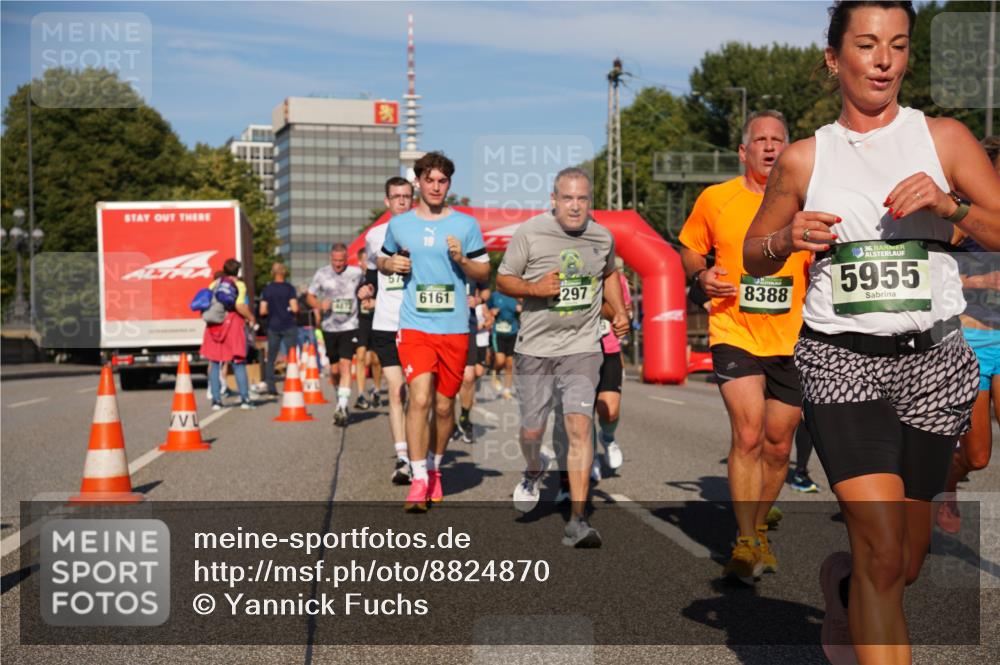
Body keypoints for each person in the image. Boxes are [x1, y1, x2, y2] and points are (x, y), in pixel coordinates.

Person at [742, 3, 1000, 662]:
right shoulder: (804, 159)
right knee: (885, 545)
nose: (883, 59)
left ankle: (846, 587)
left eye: (898, 44)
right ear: (835, 58)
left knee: (903, 561)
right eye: (866, 44)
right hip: (840, 363)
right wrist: (783, 235)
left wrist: (952, 206)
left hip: (933, 365)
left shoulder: (944, 141)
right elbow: (754, 253)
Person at [679, 108, 804, 585]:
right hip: (734, 330)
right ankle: (748, 538)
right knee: (749, 434)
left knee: (778, 444)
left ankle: (758, 527)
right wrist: (700, 274)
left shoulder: (805, 199)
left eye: (778, 139)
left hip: (793, 337)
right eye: (761, 140)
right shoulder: (717, 199)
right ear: (744, 151)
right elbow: (691, 244)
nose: (770, 147)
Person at [497, 167, 629, 547]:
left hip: (581, 347)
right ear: (553, 200)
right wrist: (535, 287)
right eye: (567, 198)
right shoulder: (530, 233)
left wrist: (618, 311)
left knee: (578, 426)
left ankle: (577, 520)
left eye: (582, 198)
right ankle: (534, 469)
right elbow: (503, 279)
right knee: (532, 430)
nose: (575, 206)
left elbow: (608, 274)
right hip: (534, 348)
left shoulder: (602, 237)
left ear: (591, 201)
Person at [378, 152, 490, 512]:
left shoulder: (466, 225)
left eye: (442, 181)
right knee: (419, 398)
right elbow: (381, 260)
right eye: (430, 180)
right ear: (418, 183)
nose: (436, 187)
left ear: (449, 185)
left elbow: (484, 273)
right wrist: (389, 263)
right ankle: (418, 478)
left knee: (444, 408)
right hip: (415, 326)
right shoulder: (400, 225)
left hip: (454, 328)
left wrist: (462, 261)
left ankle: (435, 466)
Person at [937, 135, 1000, 533]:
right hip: (973, 341)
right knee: (977, 456)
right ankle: (944, 485)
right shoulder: (963, 213)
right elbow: (929, 274)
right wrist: (981, 280)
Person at [363, 176, 415, 484]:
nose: (401, 201)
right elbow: (372, 267)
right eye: (396, 196)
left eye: (406, 196)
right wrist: (367, 287)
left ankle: (421, 452)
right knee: (396, 390)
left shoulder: (425, 231)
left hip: (419, 324)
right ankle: (402, 458)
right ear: (387, 201)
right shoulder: (375, 235)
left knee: (420, 396)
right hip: (385, 323)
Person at [308, 243, 364, 426]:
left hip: (350, 325)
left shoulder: (356, 273)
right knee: (334, 370)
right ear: (330, 258)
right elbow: (310, 295)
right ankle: (340, 397)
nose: (338, 264)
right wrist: (318, 305)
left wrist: (368, 296)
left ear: (347, 259)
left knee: (345, 364)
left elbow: (368, 288)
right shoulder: (322, 273)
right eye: (335, 260)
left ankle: (342, 405)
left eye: (341, 261)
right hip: (329, 327)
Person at [200, 258, 257, 410]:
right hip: (233, 324)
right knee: (238, 362)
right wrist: (251, 317)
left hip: (214, 325)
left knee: (214, 362)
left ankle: (216, 401)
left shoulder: (214, 284)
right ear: (237, 271)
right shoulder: (239, 285)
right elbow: (239, 305)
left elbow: (207, 302)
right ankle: (245, 399)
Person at [594, 259, 633, 476]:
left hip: (608, 349)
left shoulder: (618, 279)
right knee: (581, 411)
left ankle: (607, 438)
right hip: (578, 350)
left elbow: (621, 313)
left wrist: (621, 314)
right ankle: (587, 456)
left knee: (609, 410)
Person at [454, 283, 492, 444]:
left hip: (469, 329)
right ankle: (447, 421)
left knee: (469, 377)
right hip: (443, 326)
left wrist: (479, 299)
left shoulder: (471, 263)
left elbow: (486, 287)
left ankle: (464, 417)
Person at [259, 262, 299, 396]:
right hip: (289, 325)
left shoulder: (268, 289)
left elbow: (262, 310)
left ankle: (271, 387)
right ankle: (291, 384)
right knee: (291, 356)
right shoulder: (289, 288)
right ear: (284, 273)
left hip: (273, 326)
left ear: (272, 273)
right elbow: (295, 308)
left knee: (271, 358)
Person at [353, 247, 380, 410]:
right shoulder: (355, 280)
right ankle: (361, 394)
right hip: (361, 322)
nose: (366, 263)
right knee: (361, 356)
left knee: (376, 360)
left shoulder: (377, 278)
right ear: (359, 262)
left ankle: (376, 389)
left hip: (377, 321)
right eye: (364, 260)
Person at [488, 288, 520, 398]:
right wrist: (491, 311)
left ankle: (507, 389)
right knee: (500, 360)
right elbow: (487, 308)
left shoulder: (516, 295)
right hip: (499, 333)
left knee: (510, 364)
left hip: (513, 332)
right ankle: (495, 372)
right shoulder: (495, 295)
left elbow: (526, 308)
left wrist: (520, 309)